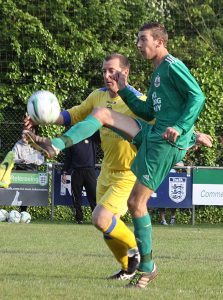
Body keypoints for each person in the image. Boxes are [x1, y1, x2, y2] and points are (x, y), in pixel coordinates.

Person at [23, 33, 213, 289]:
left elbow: (186, 106)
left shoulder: (167, 70)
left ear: (125, 72)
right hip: (112, 167)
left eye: (112, 71)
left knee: (119, 212)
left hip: (133, 166)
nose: (106, 75)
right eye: (104, 71)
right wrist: (41, 118)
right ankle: (56, 145)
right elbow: (71, 116)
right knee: (101, 115)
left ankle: (143, 263)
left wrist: (191, 133)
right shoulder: (102, 95)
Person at [61, 132, 100, 224]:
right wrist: (64, 172)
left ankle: (97, 219)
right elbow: (68, 158)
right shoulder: (72, 141)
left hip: (89, 171)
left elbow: (99, 129)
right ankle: (79, 219)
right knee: (76, 197)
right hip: (76, 171)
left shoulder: (92, 139)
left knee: (94, 196)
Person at [12, 126, 45, 212]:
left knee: (27, 192)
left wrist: (33, 161)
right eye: (22, 134)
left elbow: (41, 160)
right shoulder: (17, 144)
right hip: (20, 169)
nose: (23, 136)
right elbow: (13, 158)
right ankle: (19, 210)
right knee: (19, 191)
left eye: (25, 134)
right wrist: (21, 160)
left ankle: (23, 211)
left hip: (31, 171)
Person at [159, 161, 184, 225]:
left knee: (174, 199)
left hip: (173, 179)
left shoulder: (176, 154)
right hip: (163, 178)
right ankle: (162, 220)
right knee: (162, 199)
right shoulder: (164, 153)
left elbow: (182, 165)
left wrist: (172, 162)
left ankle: (173, 218)